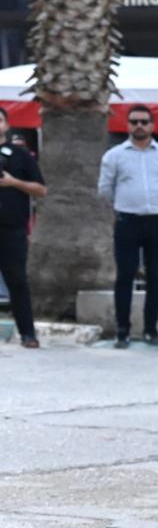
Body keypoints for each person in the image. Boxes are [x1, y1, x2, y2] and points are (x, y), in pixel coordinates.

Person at [98, 103, 158, 349]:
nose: (139, 126)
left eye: (144, 121)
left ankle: (150, 330)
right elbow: (105, 189)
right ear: (127, 125)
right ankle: (122, 331)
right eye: (134, 121)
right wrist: (117, 210)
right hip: (127, 220)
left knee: (157, 277)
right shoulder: (114, 155)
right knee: (124, 276)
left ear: (152, 126)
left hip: (157, 221)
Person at [0, 106, 47, 349]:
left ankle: (28, 333)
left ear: (7, 125)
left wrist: (13, 182)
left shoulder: (20, 156)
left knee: (17, 281)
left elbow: (41, 189)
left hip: (12, 230)